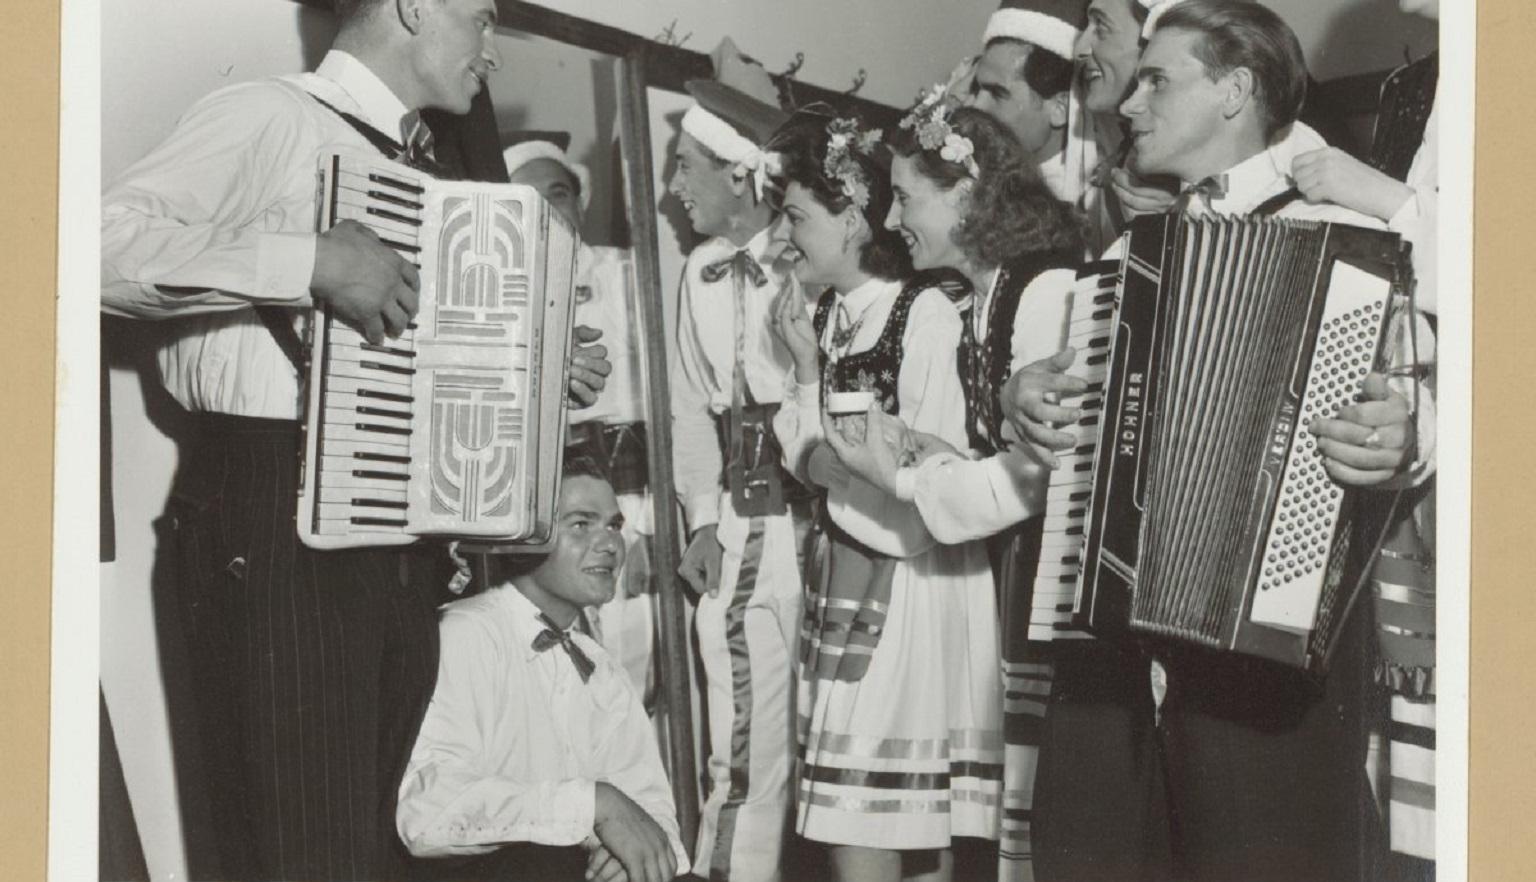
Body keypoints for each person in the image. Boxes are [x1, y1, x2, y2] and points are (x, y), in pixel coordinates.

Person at [99, 1, 609, 877]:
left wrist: (532, 367)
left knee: (381, 846)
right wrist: (310, 264)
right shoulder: (270, 114)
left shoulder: (432, 170)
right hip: (268, 508)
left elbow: (415, 364)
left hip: (393, 535)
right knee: (306, 850)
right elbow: (95, 248)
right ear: (412, 6)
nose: (493, 51)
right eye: (481, 19)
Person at [1001, 4, 1436, 879]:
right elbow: (1086, 410)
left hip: (1268, 664)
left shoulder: (1352, 236)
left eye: (1159, 79)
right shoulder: (1133, 257)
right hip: (1115, 660)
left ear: (1236, 90)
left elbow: (1437, 398)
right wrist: (1029, 399)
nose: (1129, 102)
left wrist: (1409, 437)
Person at [817, 97, 1085, 881]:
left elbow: (1034, 482)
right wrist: (930, 455)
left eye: (905, 196)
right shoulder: (983, 298)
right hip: (1014, 586)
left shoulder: (1046, 292)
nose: (890, 218)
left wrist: (903, 472)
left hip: (1051, 593)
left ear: (967, 193)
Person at [764, 111, 1001, 882]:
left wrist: (832, 471)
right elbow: (809, 453)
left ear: (853, 216)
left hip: (909, 591)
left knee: (874, 815)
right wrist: (806, 369)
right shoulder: (831, 317)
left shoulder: (923, 315)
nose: (783, 235)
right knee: (887, 819)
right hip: (853, 573)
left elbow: (930, 483)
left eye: (797, 215)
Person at [396, 458, 687, 882]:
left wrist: (634, 852)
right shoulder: (467, 634)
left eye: (614, 525)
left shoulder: (601, 667)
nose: (610, 544)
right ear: (523, 536)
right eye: (582, 524)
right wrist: (592, 806)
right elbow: (425, 813)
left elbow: (652, 806)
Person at [667, 78, 803, 882]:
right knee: (743, 749)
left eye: (686, 167)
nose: (674, 189)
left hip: (825, 520)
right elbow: (690, 409)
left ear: (742, 174)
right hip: (742, 516)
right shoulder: (698, 270)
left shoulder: (813, 252)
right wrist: (699, 522)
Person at [504, 138, 659, 708]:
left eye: (559, 193)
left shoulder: (626, 275)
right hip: (550, 507)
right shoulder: (497, 297)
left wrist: (646, 530)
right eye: (529, 199)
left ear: (581, 202)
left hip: (632, 497)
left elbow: (660, 407)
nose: (547, 211)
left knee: (640, 657)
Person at [966, 0, 1092, 204]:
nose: (977, 106)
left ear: (1060, 107)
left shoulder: (1084, 202)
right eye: (977, 89)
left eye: (998, 93)